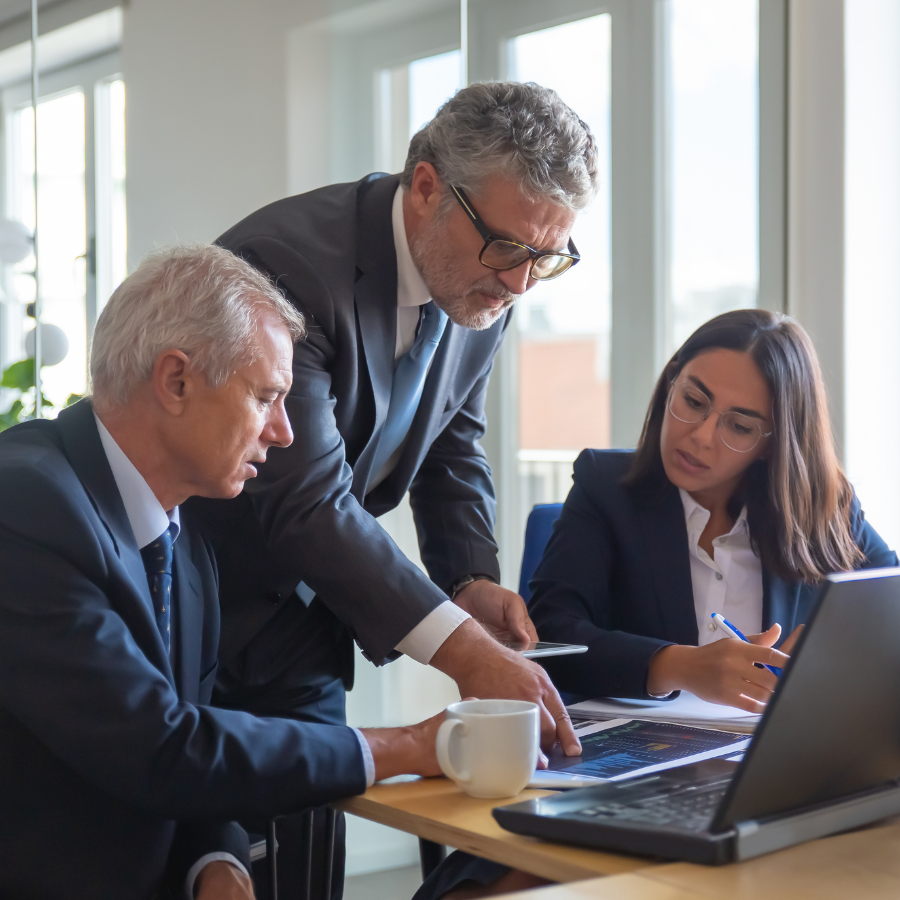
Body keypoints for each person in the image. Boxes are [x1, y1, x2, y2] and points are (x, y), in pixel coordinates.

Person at [186, 80, 599, 895]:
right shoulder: (285, 268)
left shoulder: (488, 276)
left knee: (303, 870)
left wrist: (470, 580)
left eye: (546, 258)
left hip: (308, 622)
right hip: (195, 612)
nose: (521, 285)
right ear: (425, 188)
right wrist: (466, 652)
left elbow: (452, 442)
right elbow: (306, 501)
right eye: (510, 249)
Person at [0, 245, 444, 900]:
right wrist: (405, 746)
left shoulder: (189, 539)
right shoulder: (25, 504)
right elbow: (158, 747)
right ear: (176, 381)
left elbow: (195, 747)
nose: (286, 432)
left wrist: (216, 861)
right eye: (267, 396)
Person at [528, 309, 898, 709]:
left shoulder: (820, 506)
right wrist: (678, 666)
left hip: (771, 755)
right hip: (641, 754)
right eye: (693, 400)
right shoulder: (604, 488)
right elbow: (551, 636)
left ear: (772, 443)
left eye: (739, 426)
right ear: (671, 382)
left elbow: (889, 603)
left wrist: (831, 643)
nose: (701, 436)